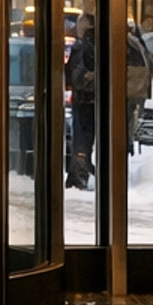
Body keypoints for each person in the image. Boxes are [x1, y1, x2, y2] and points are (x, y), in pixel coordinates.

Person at [65, 12, 96, 188]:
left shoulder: (84, 45)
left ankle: (79, 176)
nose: (77, 27)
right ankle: (81, 171)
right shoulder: (96, 42)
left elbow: (74, 73)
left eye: (80, 24)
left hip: (84, 99)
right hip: (91, 100)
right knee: (86, 138)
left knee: (81, 139)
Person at [125, 20, 152, 150]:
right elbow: (147, 64)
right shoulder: (137, 43)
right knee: (129, 115)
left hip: (128, 88)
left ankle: (125, 139)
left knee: (125, 114)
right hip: (135, 89)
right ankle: (128, 138)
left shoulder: (128, 43)